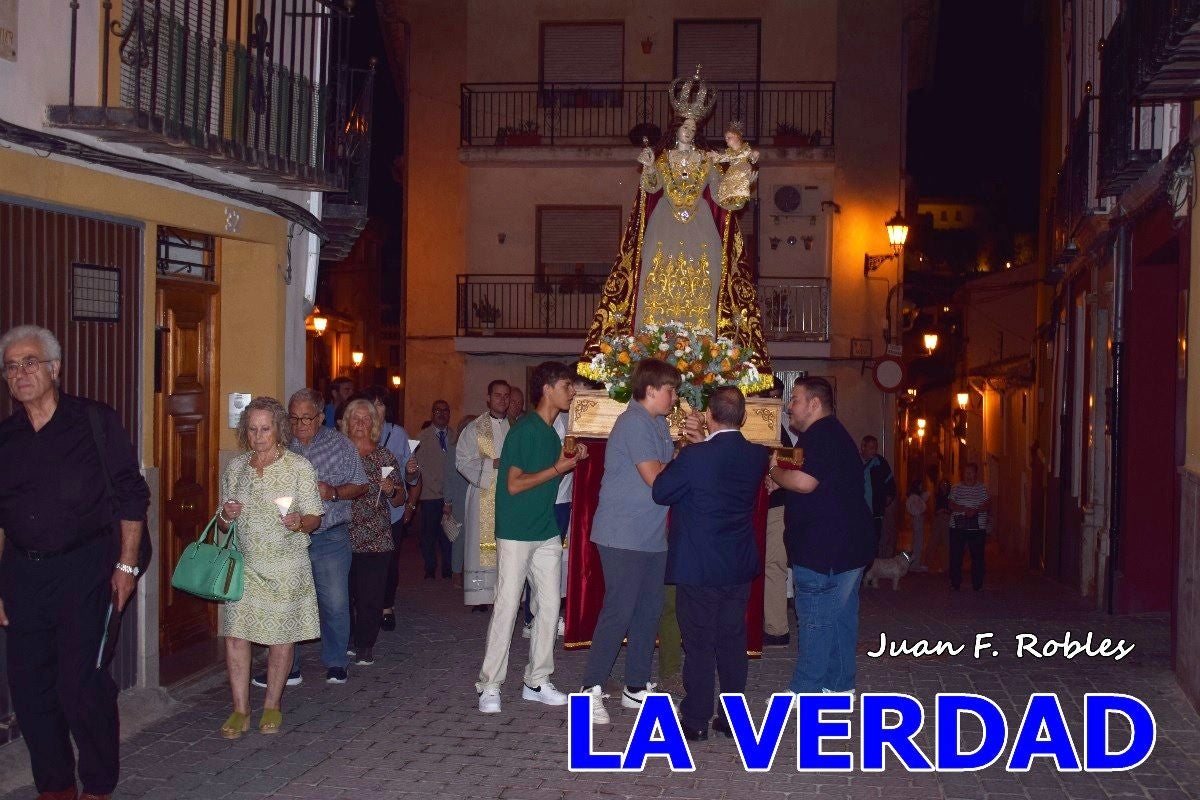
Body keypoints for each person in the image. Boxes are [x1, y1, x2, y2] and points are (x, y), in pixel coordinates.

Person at [0, 325, 150, 800]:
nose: (21, 373)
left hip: (87, 570)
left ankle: (99, 786)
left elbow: (131, 494)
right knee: (30, 691)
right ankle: (56, 787)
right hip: (23, 574)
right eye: (11, 366)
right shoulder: (4, 438)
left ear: (54, 369)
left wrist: (125, 568)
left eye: (30, 362)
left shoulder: (93, 421)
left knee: (81, 687)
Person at [579, 67, 770, 388]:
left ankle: (701, 351)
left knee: (703, 282)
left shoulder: (708, 160)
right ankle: (649, 352)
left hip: (701, 232)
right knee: (654, 277)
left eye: (694, 127)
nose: (690, 131)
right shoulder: (663, 158)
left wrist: (740, 168)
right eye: (685, 126)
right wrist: (649, 166)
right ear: (676, 129)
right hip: (663, 229)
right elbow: (651, 188)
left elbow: (725, 197)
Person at [652, 387, 769, 742]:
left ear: (709, 416)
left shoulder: (694, 457)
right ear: (743, 417)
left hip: (699, 565)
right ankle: (732, 718)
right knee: (732, 639)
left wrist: (686, 450)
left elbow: (661, 491)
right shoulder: (757, 455)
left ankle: (697, 718)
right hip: (737, 562)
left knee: (700, 642)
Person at [476, 362, 588, 714]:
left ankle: (536, 680)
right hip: (516, 530)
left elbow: (551, 473)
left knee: (550, 606)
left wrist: (571, 458)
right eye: (567, 386)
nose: (572, 392)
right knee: (508, 606)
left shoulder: (553, 432)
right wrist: (561, 467)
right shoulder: (524, 430)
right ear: (548, 388)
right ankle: (490, 685)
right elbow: (514, 483)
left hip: (545, 528)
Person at [579, 358, 680, 724]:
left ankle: (634, 686)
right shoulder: (635, 422)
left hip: (651, 534)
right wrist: (691, 461)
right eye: (670, 390)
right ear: (651, 390)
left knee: (648, 611)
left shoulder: (658, 423)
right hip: (623, 533)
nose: (675, 397)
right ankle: (589, 688)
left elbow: (669, 465)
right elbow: (656, 477)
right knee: (619, 610)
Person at [217, 396, 323, 738]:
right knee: (235, 636)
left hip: (285, 566)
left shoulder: (298, 467)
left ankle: (272, 705)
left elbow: (314, 518)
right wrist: (225, 516)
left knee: (281, 638)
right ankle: (240, 709)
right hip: (245, 565)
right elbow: (221, 523)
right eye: (252, 429)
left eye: (265, 429)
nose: (258, 436)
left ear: (278, 429)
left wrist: (298, 522)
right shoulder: (235, 469)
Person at [252, 389, 367, 688]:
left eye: (307, 417)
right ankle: (289, 668)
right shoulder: (280, 446)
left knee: (334, 603)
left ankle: (336, 662)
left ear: (320, 416)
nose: (300, 423)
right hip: (287, 538)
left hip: (329, 536)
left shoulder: (340, 444)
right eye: (294, 417)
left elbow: (360, 484)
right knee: (287, 602)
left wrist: (333, 492)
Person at [769, 378, 875, 695]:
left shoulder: (821, 435)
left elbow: (805, 483)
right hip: (848, 545)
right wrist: (785, 476)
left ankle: (807, 689)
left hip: (825, 547)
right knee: (840, 617)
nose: (789, 406)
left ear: (815, 403)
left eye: (795, 399)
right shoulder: (830, 434)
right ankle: (840, 687)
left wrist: (774, 471)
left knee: (815, 618)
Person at [340, 398, 405, 666]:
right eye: (355, 418)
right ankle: (347, 639)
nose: (360, 424)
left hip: (376, 538)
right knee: (343, 596)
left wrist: (391, 490)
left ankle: (365, 644)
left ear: (374, 424)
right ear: (346, 423)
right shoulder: (339, 456)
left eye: (366, 419)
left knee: (370, 596)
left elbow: (400, 498)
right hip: (342, 536)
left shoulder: (385, 457)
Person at [359, 387, 420, 631]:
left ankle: (386, 605)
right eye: (371, 404)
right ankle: (363, 609)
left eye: (380, 404)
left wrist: (411, 473)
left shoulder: (398, 434)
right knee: (363, 564)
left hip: (391, 511)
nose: (375, 410)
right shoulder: (356, 433)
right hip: (361, 512)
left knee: (389, 562)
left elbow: (411, 478)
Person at [457, 381, 511, 609]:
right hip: (483, 494)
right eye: (497, 395)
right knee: (482, 544)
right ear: (488, 398)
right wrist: (493, 464)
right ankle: (481, 597)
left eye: (506, 396)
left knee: (507, 545)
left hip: (510, 495)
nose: (502, 399)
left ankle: (507, 593)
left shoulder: (516, 427)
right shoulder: (475, 428)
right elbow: (462, 461)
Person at [763, 376, 797, 648]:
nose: (773, 400)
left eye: (777, 395)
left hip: (777, 506)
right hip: (764, 505)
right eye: (769, 394)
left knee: (774, 566)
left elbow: (792, 460)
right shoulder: (759, 423)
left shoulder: (780, 427)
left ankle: (776, 628)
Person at [416, 399, 456, 580]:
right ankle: (430, 567)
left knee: (449, 534)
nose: (442, 413)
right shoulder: (420, 438)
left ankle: (449, 568)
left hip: (451, 495)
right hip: (429, 495)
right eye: (437, 410)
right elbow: (417, 466)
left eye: (445, 410)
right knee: (429, 534)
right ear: (432, 414)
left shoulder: (456, 437)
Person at [444, 415, 477, 588]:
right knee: (460, 538)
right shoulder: (454, 448)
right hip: (459, 498)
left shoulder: (481, 450)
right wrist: (447, 501)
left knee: (476, 538)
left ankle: (472, 573)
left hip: (477, 498)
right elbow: (448, 476)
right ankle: (456, 573)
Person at [949, 463, 991, 591]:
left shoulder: (982, 489)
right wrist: (963, 509)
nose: (968, 475)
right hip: (958, 526)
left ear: (975, 474)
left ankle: (977, 584)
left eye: (971, 472)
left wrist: (976, 510)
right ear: (963, 474)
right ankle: (955, 583)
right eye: (966, 472)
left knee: (978, 557)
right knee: (956, 556)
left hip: (977, 528)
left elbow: (988, 504)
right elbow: (950, 504)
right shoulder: (956, 488)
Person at [861, 435, 897, 556]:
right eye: (871, 447)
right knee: (861, 540)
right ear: (863, 447)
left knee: (875, 540)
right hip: (860, 510)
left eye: (875, 448)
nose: (874, 450)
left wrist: (889, 495)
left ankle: (873, 568)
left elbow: (890, 481)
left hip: (876, 511)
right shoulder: (855, 462)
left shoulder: (880, 463)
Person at [712, 120, 759, 210]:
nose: (726, 140)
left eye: (729, 137)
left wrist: (754, 154)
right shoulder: (730, 153)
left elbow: (751, 155)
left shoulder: (744, 149)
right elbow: (724, 157)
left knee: (738, 182)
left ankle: (739, 196)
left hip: (742, 168)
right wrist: (716, 157)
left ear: (737, 137)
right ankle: (728, 197)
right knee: (727, 183)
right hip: (732, 170)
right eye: (726, 139)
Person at [905, 478, 930, 572]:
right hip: (917, 520)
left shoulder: (915, 497)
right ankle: (914, 564)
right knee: (917, 543)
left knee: (918, 542)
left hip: (918, 520)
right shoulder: (914, 497)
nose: (921, 487)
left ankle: (916, 563)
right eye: (920, 485)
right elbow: (917, 509)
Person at [929, 479, 953, 573]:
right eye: (942, 484)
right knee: (933, 541)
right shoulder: (937, 495)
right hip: (938, 519)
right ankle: (927, 564)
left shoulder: (950, 496)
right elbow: (934, 508)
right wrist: (937, 512)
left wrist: (945, 511)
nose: (943, 486)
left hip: (946, 519)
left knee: (946, 543)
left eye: (945, 484)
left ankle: (946, 565)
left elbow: (952, 508)